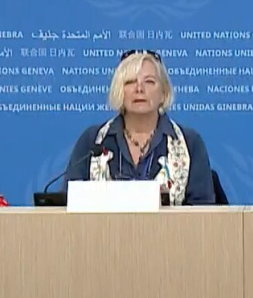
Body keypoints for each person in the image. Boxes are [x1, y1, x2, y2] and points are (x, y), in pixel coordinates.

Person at [63, 49, 217, 205]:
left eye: (149, 82)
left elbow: (203, 210)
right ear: (119, 91)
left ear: (163, 93)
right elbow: (68, 203)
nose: (139, 89)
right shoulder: (92, 141)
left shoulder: (190, 143)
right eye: (130, 82)